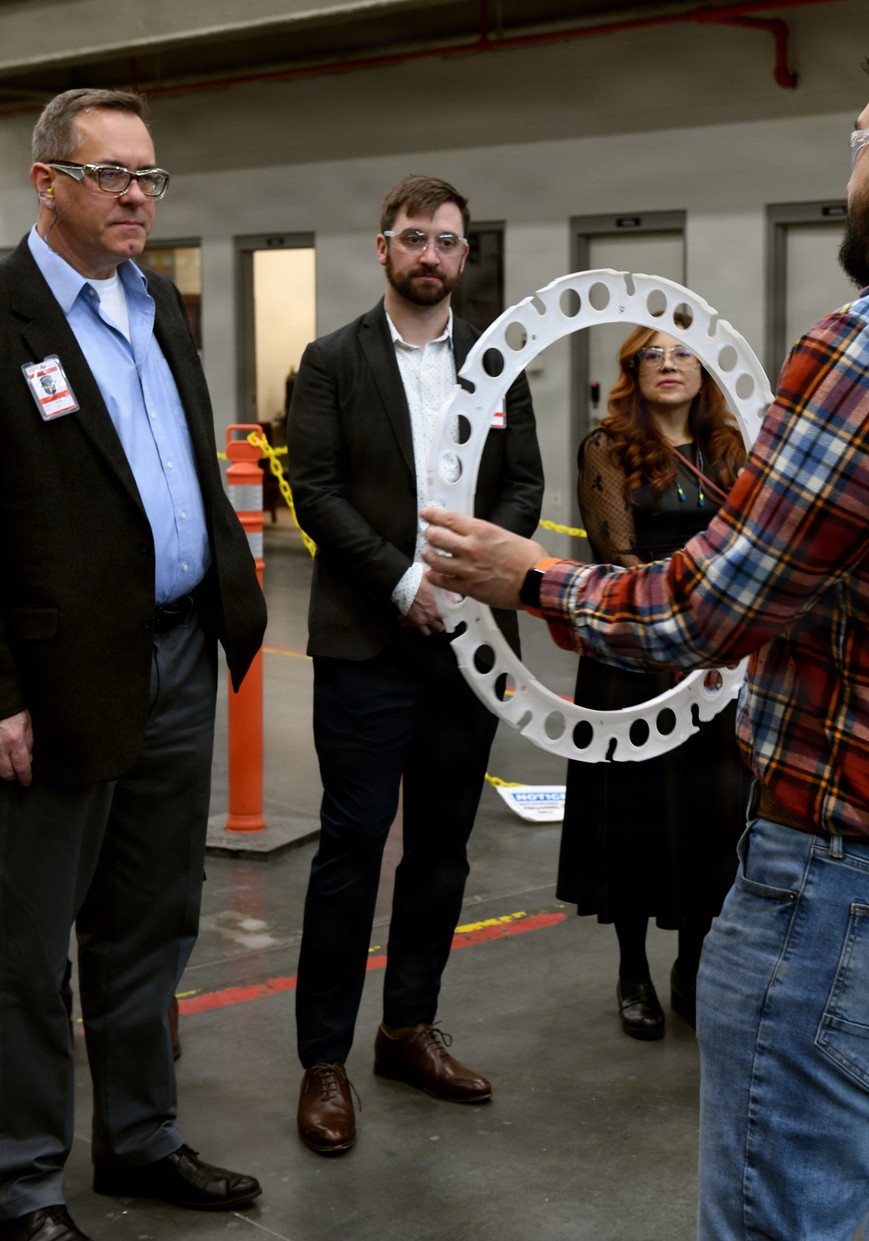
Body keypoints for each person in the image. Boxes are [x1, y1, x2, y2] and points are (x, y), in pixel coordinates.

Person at [423, 21, 869, 1240]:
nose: (851, 163)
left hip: (859, 883)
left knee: (783, 1217)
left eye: (855, 138)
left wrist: (532, 581)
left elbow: (705, 609)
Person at [0, 89, 268, 1241]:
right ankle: (22, 1182)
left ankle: (142, 1141)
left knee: (152, 922)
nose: (135, 197)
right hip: (56, 678)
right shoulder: (5, 312)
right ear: (46, 182)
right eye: (110, 174)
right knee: (25, 948)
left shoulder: (157, 302)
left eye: (149, 176)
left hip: (177, 653)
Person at [286, 175, 543, 1157]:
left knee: (442, 845)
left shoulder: (496, 359)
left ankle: (406, 1030)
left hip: (470, 646)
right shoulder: (332, 361)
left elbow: (524, 484)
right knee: (352, 847)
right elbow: (316, 490)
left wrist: (475, 576)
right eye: (412, 238)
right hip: (368, 641)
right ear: (383, 248)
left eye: (446, 241)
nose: (429, 254)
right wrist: (404, 582)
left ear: (463, 255)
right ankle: (323, 1061)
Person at [559, 327, 750, 1038]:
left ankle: (692, 964)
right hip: (634, 649)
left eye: (682, 352)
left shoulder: (732, 449)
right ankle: (633, 969)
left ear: (705, 370)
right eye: (653, 355)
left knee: (713, 812)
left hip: (716, 658)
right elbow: (619, 553)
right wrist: (679, 623)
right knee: (634, 813)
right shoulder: (607, 447)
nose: (669, 364)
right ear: (632, 372)